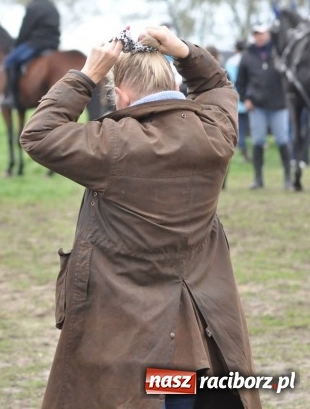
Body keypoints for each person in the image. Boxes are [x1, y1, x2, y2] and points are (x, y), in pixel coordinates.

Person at [20, 26, 260, 409]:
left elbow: (39, 134)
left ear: (123, 96)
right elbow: (218, 86)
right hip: (195, 327)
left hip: (126, 330)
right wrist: (183, 51)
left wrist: (86, 75)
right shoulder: (215, 132)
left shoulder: (113, 142)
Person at [236, 23, 291, 189]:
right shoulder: (247, 55)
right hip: (257, 106)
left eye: (262, 33)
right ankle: (258, 179)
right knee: (258, 141)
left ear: (267, 34)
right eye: (256, 34)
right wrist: (245, 99)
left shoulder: (279, 51)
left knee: (282, 139)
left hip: (279, 104)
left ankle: (288, 178)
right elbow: (240, 82)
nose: (259, 36)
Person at [3, 0, 60, 107]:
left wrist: (16, 45)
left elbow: (25, 29)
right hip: (53, 44)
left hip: (36, 44)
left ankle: (11, 97)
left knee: (9, 61)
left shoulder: (32, 6)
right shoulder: (52, 6)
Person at [224, 39, 250, 162]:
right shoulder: (247, 60)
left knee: (237, 127)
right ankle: (244, 151)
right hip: (247, 97)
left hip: (234, 97)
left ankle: (239, 148)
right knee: (244, 126)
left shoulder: (230, 62)